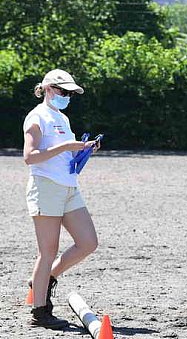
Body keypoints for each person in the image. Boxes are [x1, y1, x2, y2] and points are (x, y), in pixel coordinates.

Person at [22, 69, 100, 329]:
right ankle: (40, 310)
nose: (67, 96)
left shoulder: (62, 118)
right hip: (46, 188)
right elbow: (30, 156)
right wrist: (68, 146)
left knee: (88, 242)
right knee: (47, 251)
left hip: (69, 187)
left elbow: (64, 155)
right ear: (47, 88)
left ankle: (47, 278)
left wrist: (84, 149)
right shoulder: (36, 117)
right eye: (62, 91)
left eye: (69, 93)